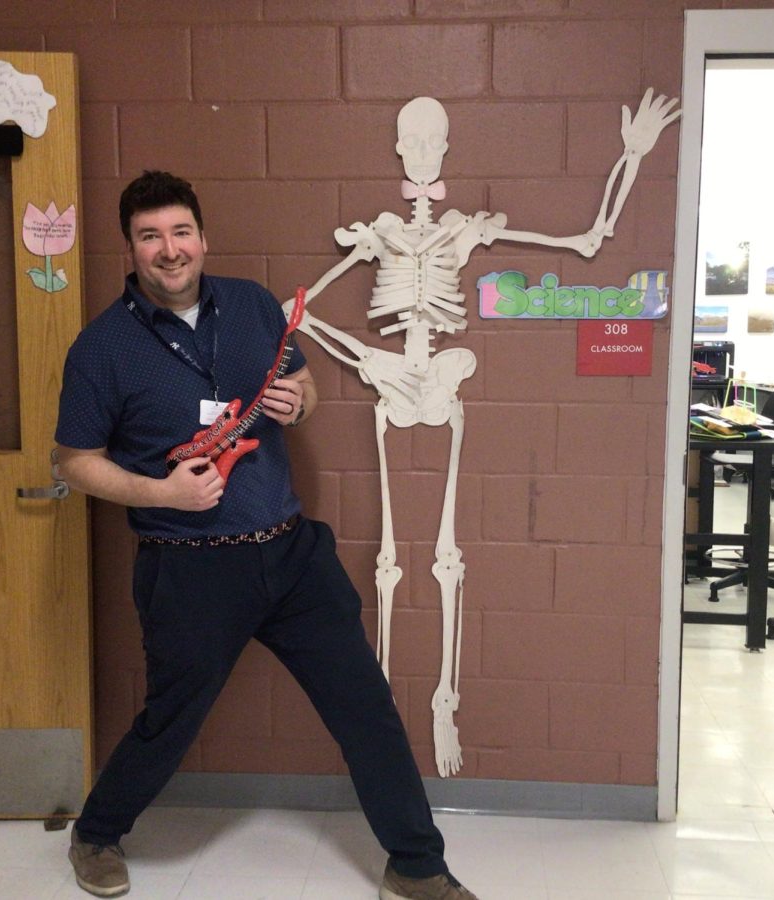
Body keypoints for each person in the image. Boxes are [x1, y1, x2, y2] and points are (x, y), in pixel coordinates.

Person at [55, 170, 478, 900]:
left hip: (289, 554)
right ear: (129, 247)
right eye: (150, 236)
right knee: (169, 722)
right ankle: (95, 834)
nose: (169, 249)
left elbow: (304, 385)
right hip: (188, 568)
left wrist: (300, 401)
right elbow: (73, 462)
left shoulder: (251, 305)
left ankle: (415, 864)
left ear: (202, 237)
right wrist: (163, 493)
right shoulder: (102, 348)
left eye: (180, 231)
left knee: (365, 707)